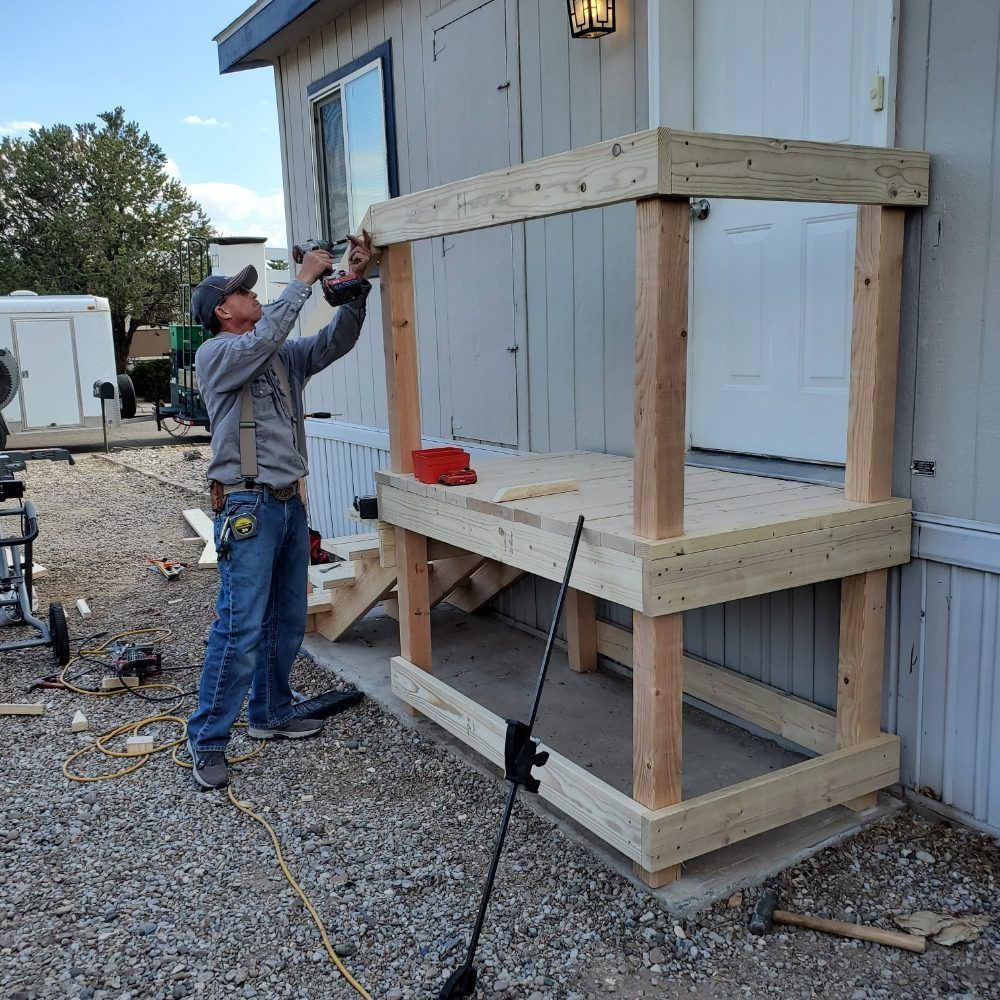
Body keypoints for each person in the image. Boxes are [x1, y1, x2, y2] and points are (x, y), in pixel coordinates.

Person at [185, 234, 373, 790]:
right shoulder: (216, 355)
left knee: (287, 617)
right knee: (240, 626)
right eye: (244, 292)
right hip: (246, 504)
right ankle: (208, 740)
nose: (253, 295)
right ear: (223, 311)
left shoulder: (278, 353)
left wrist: (353, 289)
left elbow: (333, 342)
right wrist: (303, 281)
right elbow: (269, 333)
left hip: (289, 502)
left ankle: (269, 711)